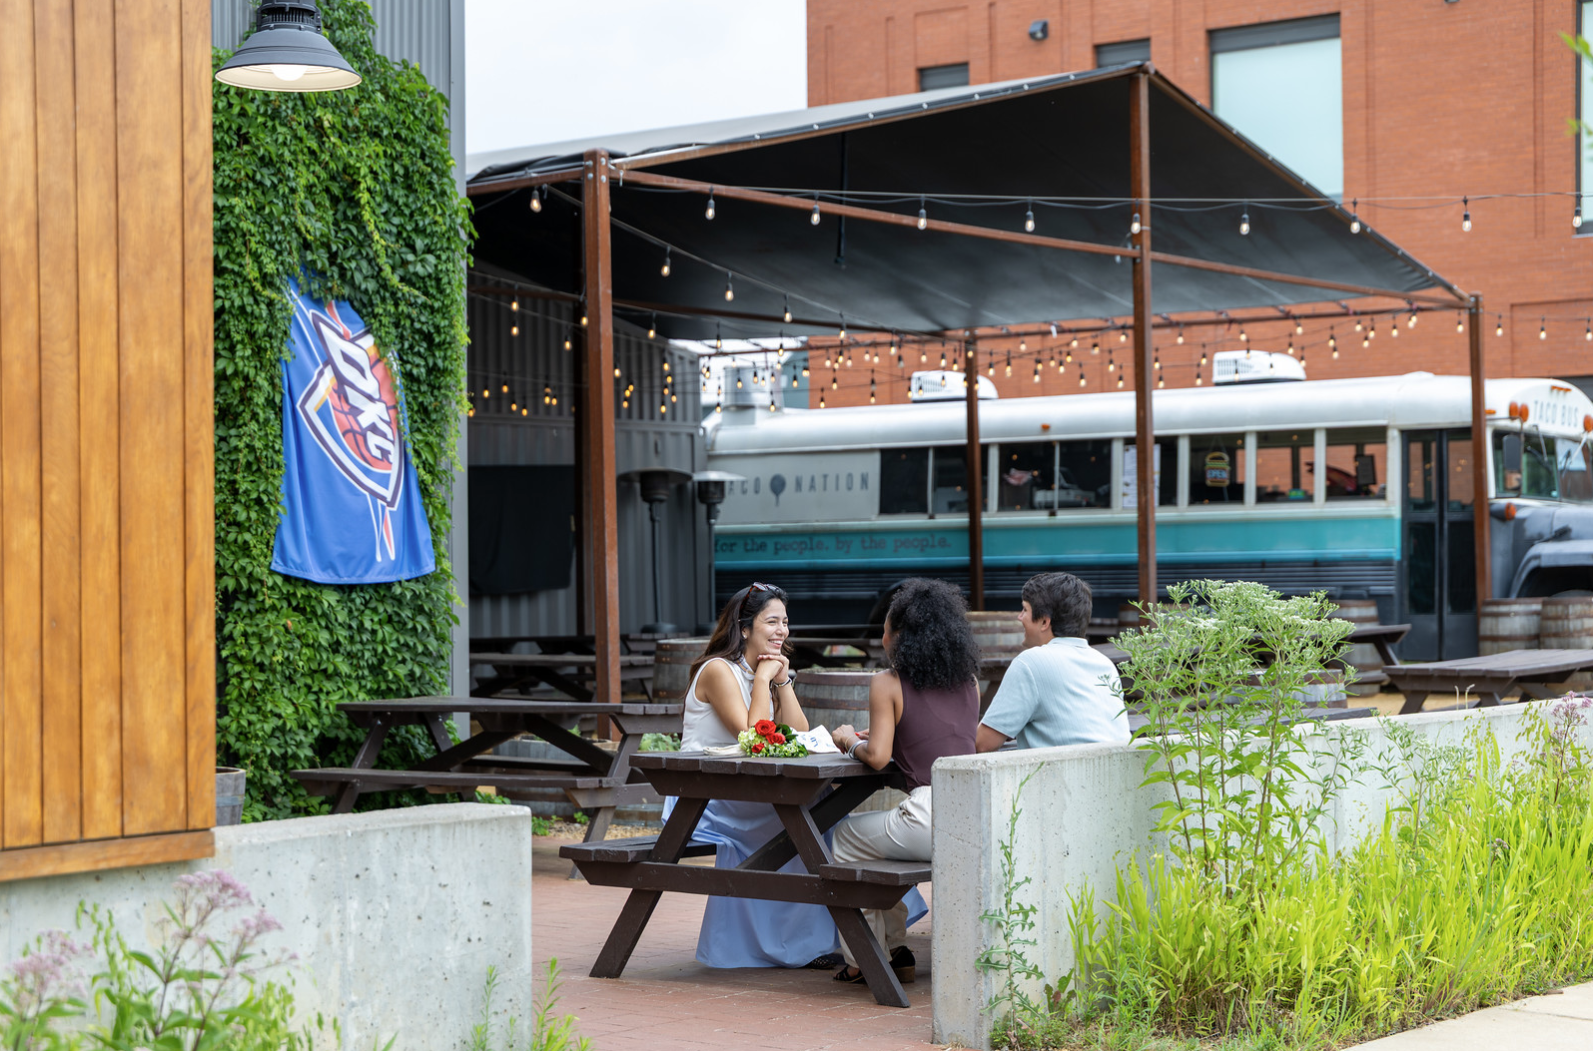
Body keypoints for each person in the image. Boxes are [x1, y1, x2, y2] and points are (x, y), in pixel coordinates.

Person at [672, 582, 841, 969]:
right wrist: (765, 680)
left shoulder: (768, 670)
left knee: (823, 807)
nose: (781, 631)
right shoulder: (718, 671)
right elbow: (753, 739)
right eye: (772, 622)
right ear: (745, 628)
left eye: (785, 622)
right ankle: (804, 942)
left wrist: (781, 681)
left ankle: (808, 941)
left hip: (746, 789)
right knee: (810, 813)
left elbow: (797, 735)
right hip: (708, 794)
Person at [828, 578, 980, 985]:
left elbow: (876, 757)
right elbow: (941, 736)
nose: (881, 635)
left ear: (899, 635)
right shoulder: (969, 682)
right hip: (974, 812)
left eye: (886, 627)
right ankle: (896, 951)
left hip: (927, 815)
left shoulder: (887, 682)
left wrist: (846, 741)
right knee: (877, 846)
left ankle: (866, 957)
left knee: (843, 839)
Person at [976, 571, 1129, 752]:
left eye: (1025, 609)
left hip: (1065, 777)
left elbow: (982, 744)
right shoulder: (1105, 664)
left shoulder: (1030, 662)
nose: (1019, 617)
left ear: (1044, 622)